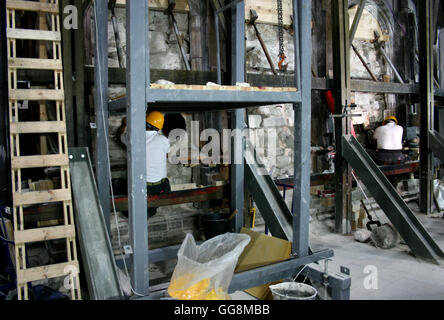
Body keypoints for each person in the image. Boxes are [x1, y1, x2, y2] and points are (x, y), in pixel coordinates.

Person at [116, 111, 171, 218]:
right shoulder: (164, 140)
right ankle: (149, 210)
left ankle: (138, 212)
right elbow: (165, 154)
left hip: (143, 188)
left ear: (145, 123)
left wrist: (124, 124)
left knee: (119, 185)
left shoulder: (133, 137)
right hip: (162, 188)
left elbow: (119, 137)